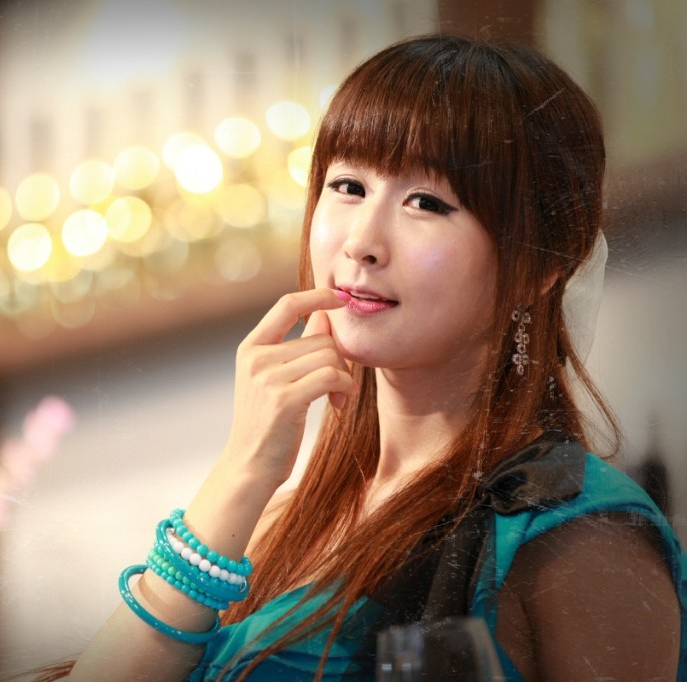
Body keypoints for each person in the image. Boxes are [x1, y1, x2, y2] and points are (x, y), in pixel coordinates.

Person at [50, 34, 687, 680]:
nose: (361, 241)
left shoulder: (579, 533)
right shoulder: (277, 519)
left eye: (426, 203)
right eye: (348, 185)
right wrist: (242, 471)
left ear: (542, 266)